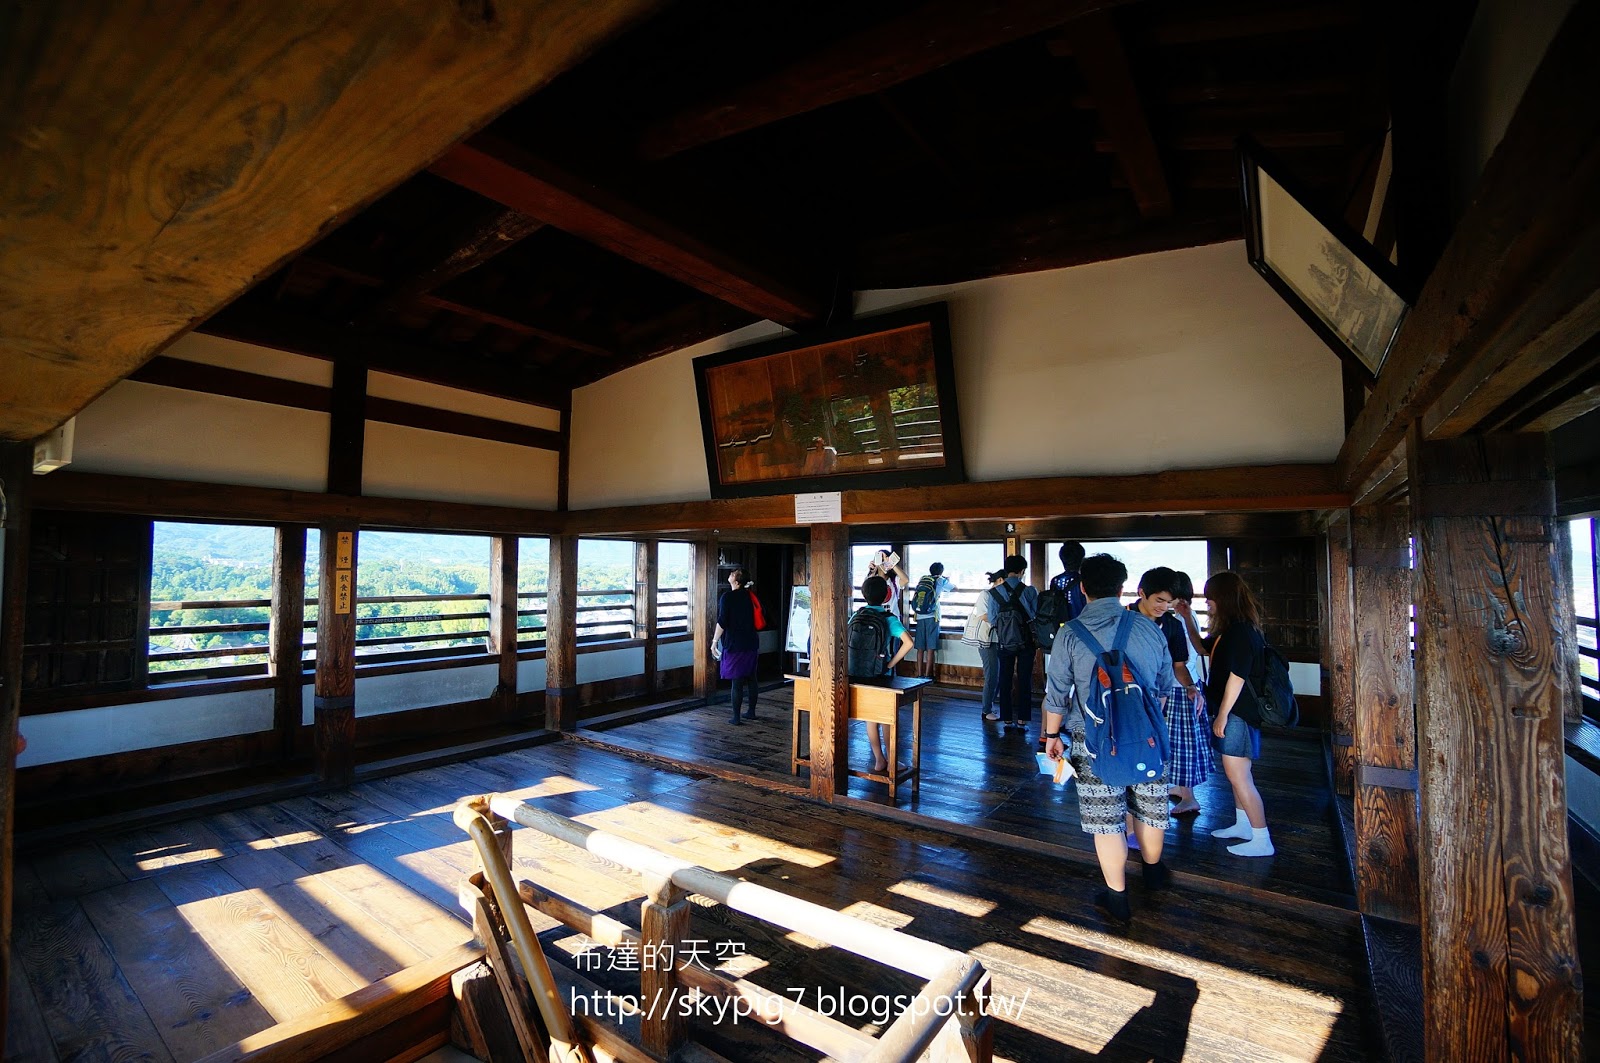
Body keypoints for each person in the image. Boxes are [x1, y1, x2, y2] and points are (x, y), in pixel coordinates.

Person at [1043, 553, 1175, 924]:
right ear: (1122, 589)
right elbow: (1165, 684)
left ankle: (1117, 897)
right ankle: (1153, 871)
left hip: (1091, 737)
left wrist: (1051, 736)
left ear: (1083, 588)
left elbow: (1057, 693)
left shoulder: (1070, 633)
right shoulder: (1148, 627)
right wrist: (1144, 719)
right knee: (1150, 806)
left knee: (1106, 818)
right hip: (1147, 734)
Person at [1202, 570, 1274, 857]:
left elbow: (1238, 676)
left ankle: (1262, 839)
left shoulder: (1242, 632)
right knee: (1236, 776)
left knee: (1240, 776)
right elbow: (1203, 647)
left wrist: (1222, 715)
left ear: (1223, 599)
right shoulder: (1233, 630)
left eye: (1210, 598)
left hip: (1238, 715)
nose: (1207, 603)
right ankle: (1244, 825)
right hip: (1235, 714)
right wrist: (1185, 618)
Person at [1163, 570, 1214, 814]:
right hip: (1187, 685)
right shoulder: (1185, 616)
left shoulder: (1182, 619)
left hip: (1182, 687)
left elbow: (1181, 659)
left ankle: (1189, 797)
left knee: (1183, 743)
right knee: (1182, 741)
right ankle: (1181, 789)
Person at [857, 574, 914, 775]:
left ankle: (879, 760)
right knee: (887, 717)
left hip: (860, 674)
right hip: (882, 674)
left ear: (864, 595)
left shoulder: (856, 616)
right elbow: (909, 642)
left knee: (870, 717)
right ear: (886, 595)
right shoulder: (888, 619)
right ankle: (892, 761)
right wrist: (890, 663)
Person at [982, 555, 1037, 730]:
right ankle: (1022, 720)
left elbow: (992, 619)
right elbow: (1035, 615)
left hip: (1004, 641)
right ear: (1022, 571)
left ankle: (1006, 718)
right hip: (1026, 641)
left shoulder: (994, 593)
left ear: (1006, 571)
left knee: (1004, 678)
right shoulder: (1029, 591)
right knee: (1024, 679)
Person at [711, 569, 761, 725]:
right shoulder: (750, 596)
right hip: (751, 641)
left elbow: (722, 621)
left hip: (735, 643)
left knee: (737, 681)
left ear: (737, 582)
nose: (731, 574)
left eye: (734, 574)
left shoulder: (727, 597)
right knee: (752, 678)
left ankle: (736, 717)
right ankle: (751, 711)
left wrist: (714, 641)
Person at [962, 571, 1005, 718]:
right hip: (986, 639)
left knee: (997, 674)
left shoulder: (1000, 595)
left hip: (997, 638)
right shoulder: (986, 595)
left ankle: (989, 706)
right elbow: (983, 616)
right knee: (992, 674)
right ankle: (986, 710)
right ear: (1000, 580)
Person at [910, 562, 954, 678]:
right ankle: (928, 675)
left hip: (920, 615)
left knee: (920, 648)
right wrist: (946, 579)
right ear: (941, 572)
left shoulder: (923, 579)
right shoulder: (941, 581)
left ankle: (919, 675)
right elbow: (953, 588)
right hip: (932, 616)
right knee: (930, 648)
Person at [1049, 541, 1087, 620]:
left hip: (1062, 624)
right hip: (1083, 623)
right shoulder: (1086, 579)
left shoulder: (1055, 581)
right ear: (1081, 558)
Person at [867, 549, 908, 621]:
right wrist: (872, 571)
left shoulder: (894, 581)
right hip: (876, 621)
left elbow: (905, 580)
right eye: (880, 559)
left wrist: (891, 564)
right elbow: (866, 590)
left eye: (884, 560)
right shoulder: (871, 579)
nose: (882, 562)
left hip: (892, 620)